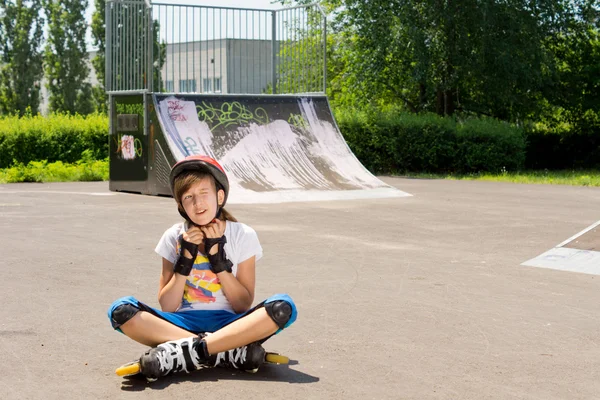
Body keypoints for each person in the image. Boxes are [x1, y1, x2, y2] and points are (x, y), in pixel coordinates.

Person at [107, 155, 297, 381]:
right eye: (188, 197)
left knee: (283, 307)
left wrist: (218, 260)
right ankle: (224, 352)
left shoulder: (242, 234)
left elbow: (242, 304)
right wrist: (185, 258)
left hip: (230, 323)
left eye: (204, 193)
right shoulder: (173, 236)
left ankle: (187, 352)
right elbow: (167, 305)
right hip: (181, 323)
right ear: (180, 205)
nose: (197, 204)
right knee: (121, 311)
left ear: (220, 195)